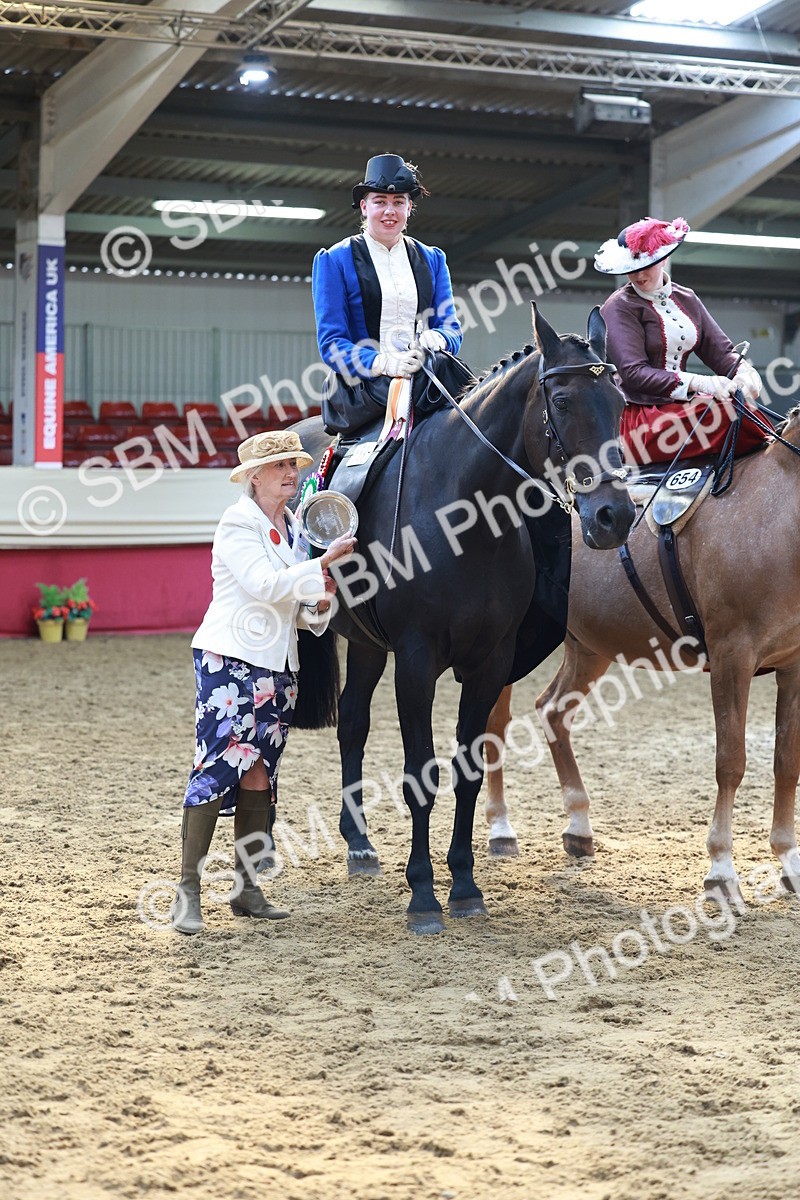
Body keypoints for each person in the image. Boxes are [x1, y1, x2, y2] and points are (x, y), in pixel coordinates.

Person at [171, 429, 356, 935]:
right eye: (280, 467)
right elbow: (263, 585)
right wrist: (319, 566)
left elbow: (294, 609)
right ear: (254, 477)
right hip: (228, 661)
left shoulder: (293, 527)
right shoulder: (238, 522)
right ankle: (187, 891)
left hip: (278, 665)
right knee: (215, 771)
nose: (292, 473)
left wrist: (320, 605)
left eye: (293, 465)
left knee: (259, 776)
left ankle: (246, 889)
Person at [312, 152, 474, 438]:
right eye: (380, 202)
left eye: (399, 202)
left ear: (409, 208)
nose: (390, 211)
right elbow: (332, 344)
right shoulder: (335, 260)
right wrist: (385, 363)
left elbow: (450, 328)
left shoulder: (433, 259)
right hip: (363, 386)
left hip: (423, 376)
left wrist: (433, 339)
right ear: (364, 207)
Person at [595, 216, 772, 465]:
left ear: (664, 259)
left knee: (748, 412)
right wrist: (701, 383)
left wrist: (745, 374)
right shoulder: (618, 307)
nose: (638, 275)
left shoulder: (686, 298)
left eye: (647, 265)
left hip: (682, 407)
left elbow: (721, 353)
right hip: (641, 420)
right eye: (631, 268)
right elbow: (633, 372)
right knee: (729, 414)